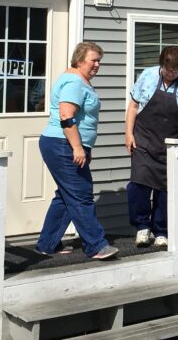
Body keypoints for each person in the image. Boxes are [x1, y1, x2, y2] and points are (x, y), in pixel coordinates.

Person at [35, 41, 119, 260]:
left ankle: (47, 243)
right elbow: (66, 116)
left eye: (99, 61)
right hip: (64, 144)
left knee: (66, 196)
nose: (97, 65)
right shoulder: (74, 82)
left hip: (61, 144)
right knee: (81, 194)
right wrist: (77, 147)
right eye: (93, 60)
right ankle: (96, 245)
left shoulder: (77, 79)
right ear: (80, 60)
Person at [125, 45, 178, 248]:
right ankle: (142, 227)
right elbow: (134, 106)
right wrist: (128, 133)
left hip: (171, 142)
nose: (170, 73)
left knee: (165, 190)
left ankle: (161, 231)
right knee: (138, 185)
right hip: (143, 139)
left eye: (175, 70)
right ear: (161, 64)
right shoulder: (147, 75)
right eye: (167, 69)